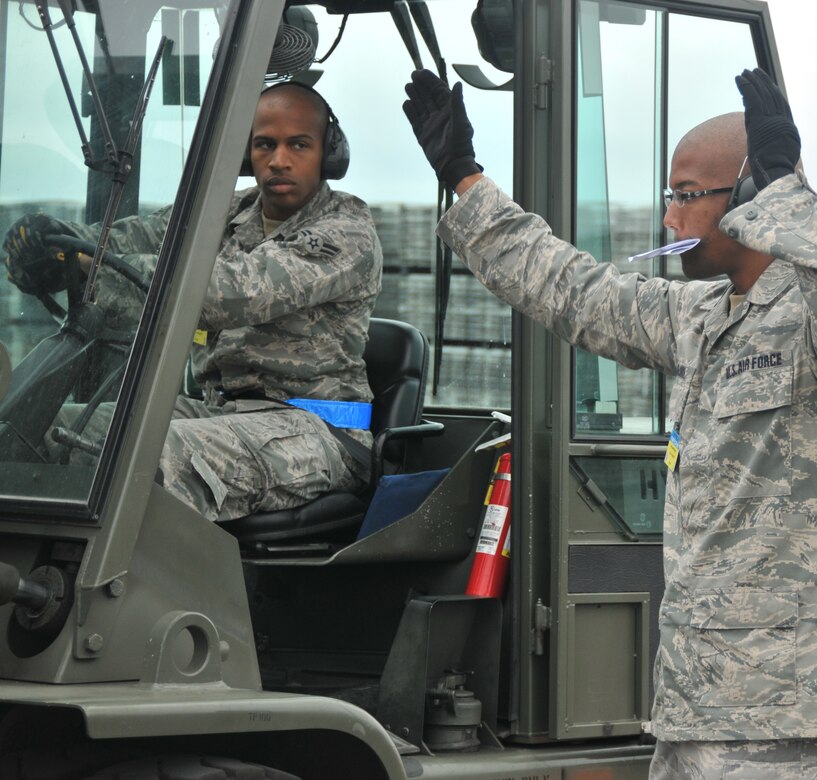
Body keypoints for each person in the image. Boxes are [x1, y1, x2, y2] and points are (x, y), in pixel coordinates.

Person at [403, 67, 817, 777]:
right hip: (694, 701)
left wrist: (785, 193)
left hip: (780, 713)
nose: (668, 219)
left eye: (686, 196)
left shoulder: (803, 318)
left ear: (745, 195)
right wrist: (465, 179)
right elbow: (572, 288)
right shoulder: (698, 318)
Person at [3, 81, 383, 522]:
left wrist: (92, 264)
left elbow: (233, 292)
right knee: (46, 429)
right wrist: (57, 243)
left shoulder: (345, 232)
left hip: (316, 431)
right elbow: (135, 237)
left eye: (298, 144)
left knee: (144, 464)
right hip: (214, 412)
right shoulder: (223, 212)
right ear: (247, 153)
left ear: (329, 154)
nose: (279, 160)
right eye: (265, 145)